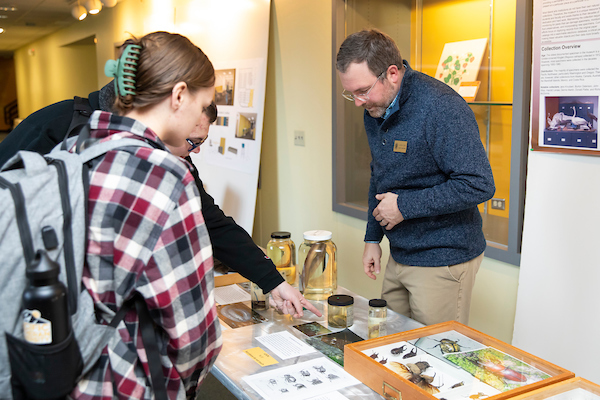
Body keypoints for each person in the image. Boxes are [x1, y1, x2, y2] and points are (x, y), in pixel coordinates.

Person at [0, 60, 320, 321]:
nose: (192, 152)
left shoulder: (166, 153)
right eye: (191, 140)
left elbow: (210, 220)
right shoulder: (60, 125)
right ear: (171, 105)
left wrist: (271, 280)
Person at [70, 31, 218, 399]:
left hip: (57, 366)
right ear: (179, 95)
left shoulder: (75, 147)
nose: (202, 117)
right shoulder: (164, 175)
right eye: (203, 105)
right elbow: (193, 333)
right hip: (119, 382)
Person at [336, 29, 495, 326]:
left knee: (434, 358)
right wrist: (373, 237)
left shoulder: (442, 107)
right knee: (390, 344)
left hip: (443, 257)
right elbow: (380, 173)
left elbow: (478, 183)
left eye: (362, 90)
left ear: (392, 73)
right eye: (351, 93)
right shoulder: (375, 107)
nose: (358, 102)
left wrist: (405, 207)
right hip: (401, 253)